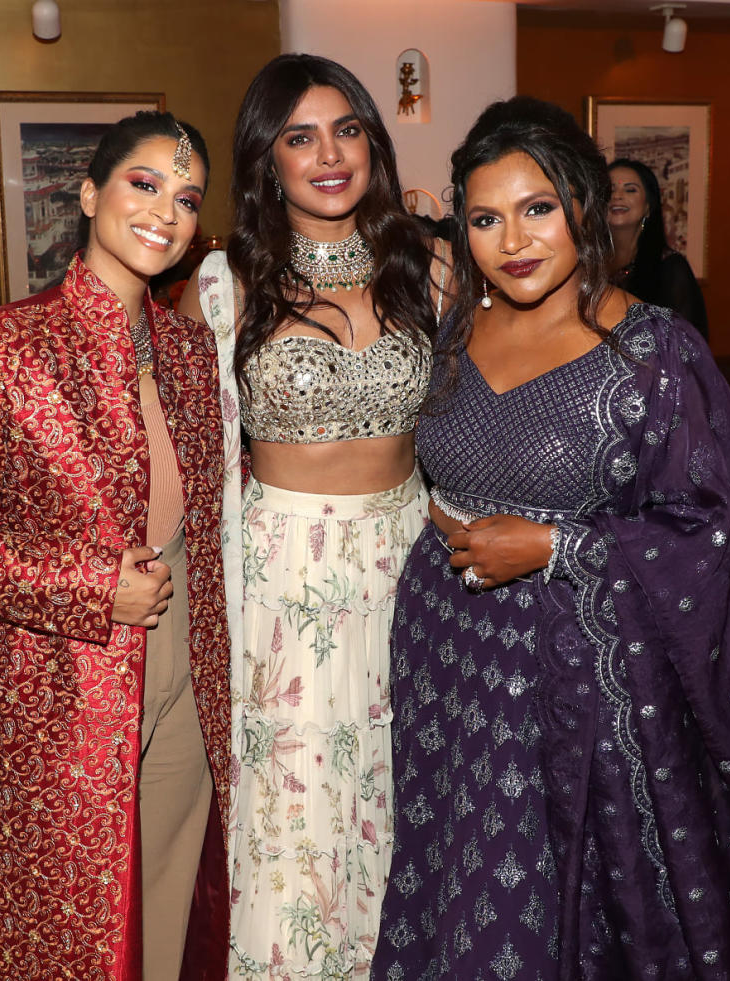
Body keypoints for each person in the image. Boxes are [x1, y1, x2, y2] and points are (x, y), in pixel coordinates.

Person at [373, 97, 730, 980]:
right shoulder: (459, 331)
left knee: (548, 903)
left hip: (575, 679)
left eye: (537, 207)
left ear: (584, 203)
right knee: (453, 876)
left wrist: (555, 547)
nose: (513, 239)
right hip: (448, 657)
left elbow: (709, 534)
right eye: (484, 218)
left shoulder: (655, 354)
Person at [0, 112, 231, 981]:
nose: (167, 210)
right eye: (145, 183)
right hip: (66, 684)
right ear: (90, 194)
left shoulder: (193, 350)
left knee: (167, 902)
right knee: (73, 931)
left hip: (189, 660)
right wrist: (93, 588)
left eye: (188, 195)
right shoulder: (0, 346)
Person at [179, 53, 444, 979]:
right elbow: (192, 455)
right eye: (300, 136)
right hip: (286, 577)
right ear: (268, 160)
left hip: (413, 561)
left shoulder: (427, 263)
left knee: (405, 789)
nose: (329, 154)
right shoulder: (226, 281)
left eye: (347, 129)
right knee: (300, 803)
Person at [607, 158, 708, 338]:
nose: (617, 196)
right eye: (609, 189)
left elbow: (689, 344)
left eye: (630, 190)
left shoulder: (670, 268)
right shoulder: (584, 264)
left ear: (648, 207)